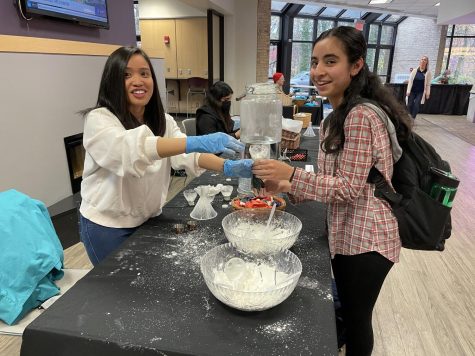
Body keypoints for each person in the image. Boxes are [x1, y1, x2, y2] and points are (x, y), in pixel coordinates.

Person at [253, 26, 413, 356]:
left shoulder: (360, 116)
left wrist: (291, 174)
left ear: (355, 66)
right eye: (314, 62)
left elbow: (348, 189)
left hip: (367, 240)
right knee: (351, 315)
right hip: (346, 234)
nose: (318, 72)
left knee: (357, 320)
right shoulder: (335, 116)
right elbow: (331, 179)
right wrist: (286, 189)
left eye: (330, 61)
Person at [79, 47, 253, 265]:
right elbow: (128, 151)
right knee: (121, 292)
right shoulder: (99, 119)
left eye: (144, 73)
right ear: (112, 82)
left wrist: (228, 167)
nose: (138, 81)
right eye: (126, 74)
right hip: (108, 226)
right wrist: (193, 142)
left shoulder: (163, 120)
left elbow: (188, 157)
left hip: (149, 217)